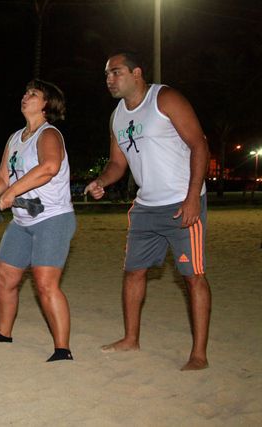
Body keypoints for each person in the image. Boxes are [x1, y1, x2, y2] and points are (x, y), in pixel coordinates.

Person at [84, 51, 211, 371]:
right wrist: (101, 181)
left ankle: (199, 355)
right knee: (133, 272)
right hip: (145, 207)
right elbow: (117, 164)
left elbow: (199, 144)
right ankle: (131, 339)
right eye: (106, 74)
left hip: (181, 202)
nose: (109, 79)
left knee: (193, 277)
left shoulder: (164, 99)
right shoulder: (117, 116)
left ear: (137, 73)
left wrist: (192, 197)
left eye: (116, 72)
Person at [0, 79, 76, 363]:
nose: (25, 96)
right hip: (21, 221)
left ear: (46, 104)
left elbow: (49, 167)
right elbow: (1, 177)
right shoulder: (15, 138)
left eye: (33, 94)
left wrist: (12, 192)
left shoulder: (49, 134)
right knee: (4, 276)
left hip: (52, 218)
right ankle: (3, 334)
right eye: (25, 92)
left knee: (45, 283)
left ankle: (62, 349)